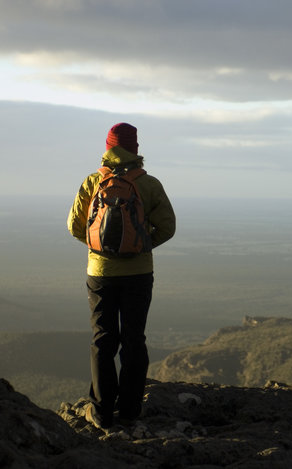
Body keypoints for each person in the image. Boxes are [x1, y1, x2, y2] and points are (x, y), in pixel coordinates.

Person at [67, 123, 176, 429]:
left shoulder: (92, 181)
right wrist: (139, 245)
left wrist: (100, 249)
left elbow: (74, 226)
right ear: (135, 149)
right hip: (138, 273)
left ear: (108, 147)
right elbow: (167, 227)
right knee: (133, 339)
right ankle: (129, 411)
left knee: (103, 340)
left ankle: (101, 412)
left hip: (99, 273)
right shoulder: (149, 184)